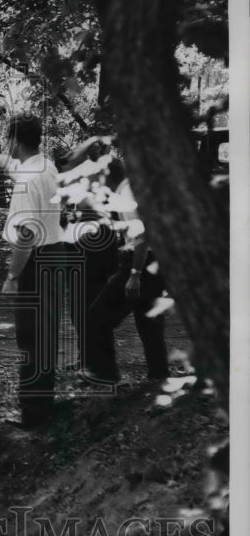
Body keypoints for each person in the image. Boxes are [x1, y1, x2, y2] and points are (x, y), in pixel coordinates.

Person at [0, 114, 66, 428]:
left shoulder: (27, 180)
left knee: (31, 337)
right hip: (55, 255)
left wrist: (12, 277)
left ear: (13, 140)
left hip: (36, 263)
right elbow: (10, 165)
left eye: (5, 138)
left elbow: (25, 235)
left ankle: (33, 417)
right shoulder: (45, 165)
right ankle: (43, 406)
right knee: (45, 335)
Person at [84, 160, 170, 385]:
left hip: (141, 262)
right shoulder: (133, 188)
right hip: (154, 263)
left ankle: (105, 373)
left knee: (97, 316)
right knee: (148, 319)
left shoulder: (127, 194)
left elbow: (142, 235)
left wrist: (134, 274)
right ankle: (158, 375)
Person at [59, 138, 121, 375]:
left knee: (93, 308)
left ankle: (101, 366)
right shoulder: (78, 178)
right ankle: (86, 359)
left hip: (97, 251)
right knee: (77, 308)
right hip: (77, 249)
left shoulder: (107, 175)